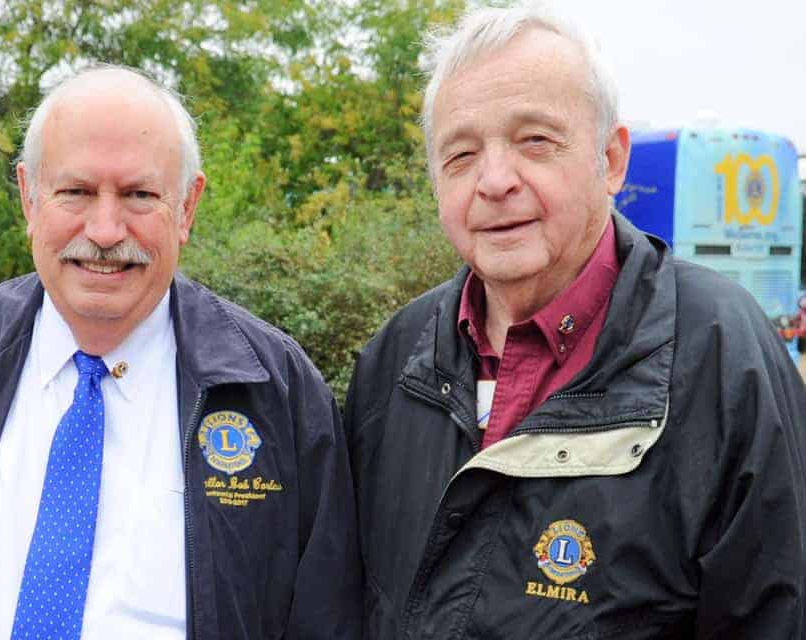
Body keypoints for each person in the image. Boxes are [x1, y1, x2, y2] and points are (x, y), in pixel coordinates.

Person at [0, 66, 361, 640]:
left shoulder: (277, 392)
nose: (105, 230)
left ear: (187, 207)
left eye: (139, 195)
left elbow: (325, 619)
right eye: (76, 192)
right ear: (30, 197)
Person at [344, 6, 806, 639]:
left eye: (536, 140)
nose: (495, 180)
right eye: (461, 154)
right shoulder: (395, 359)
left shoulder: (726, 357)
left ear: (611, 160)